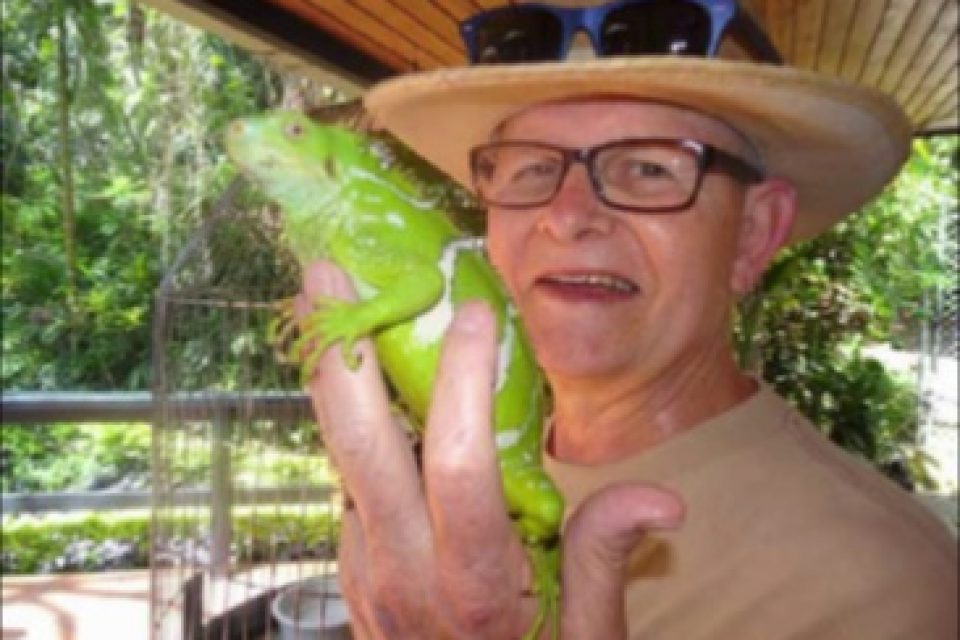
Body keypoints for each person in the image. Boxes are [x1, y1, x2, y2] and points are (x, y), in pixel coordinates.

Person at [298, 0, 959, 637]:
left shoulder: (887, 592)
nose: (567, 215)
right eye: (532, 167)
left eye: (648, 167)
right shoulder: (451, 480)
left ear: (754, 233)